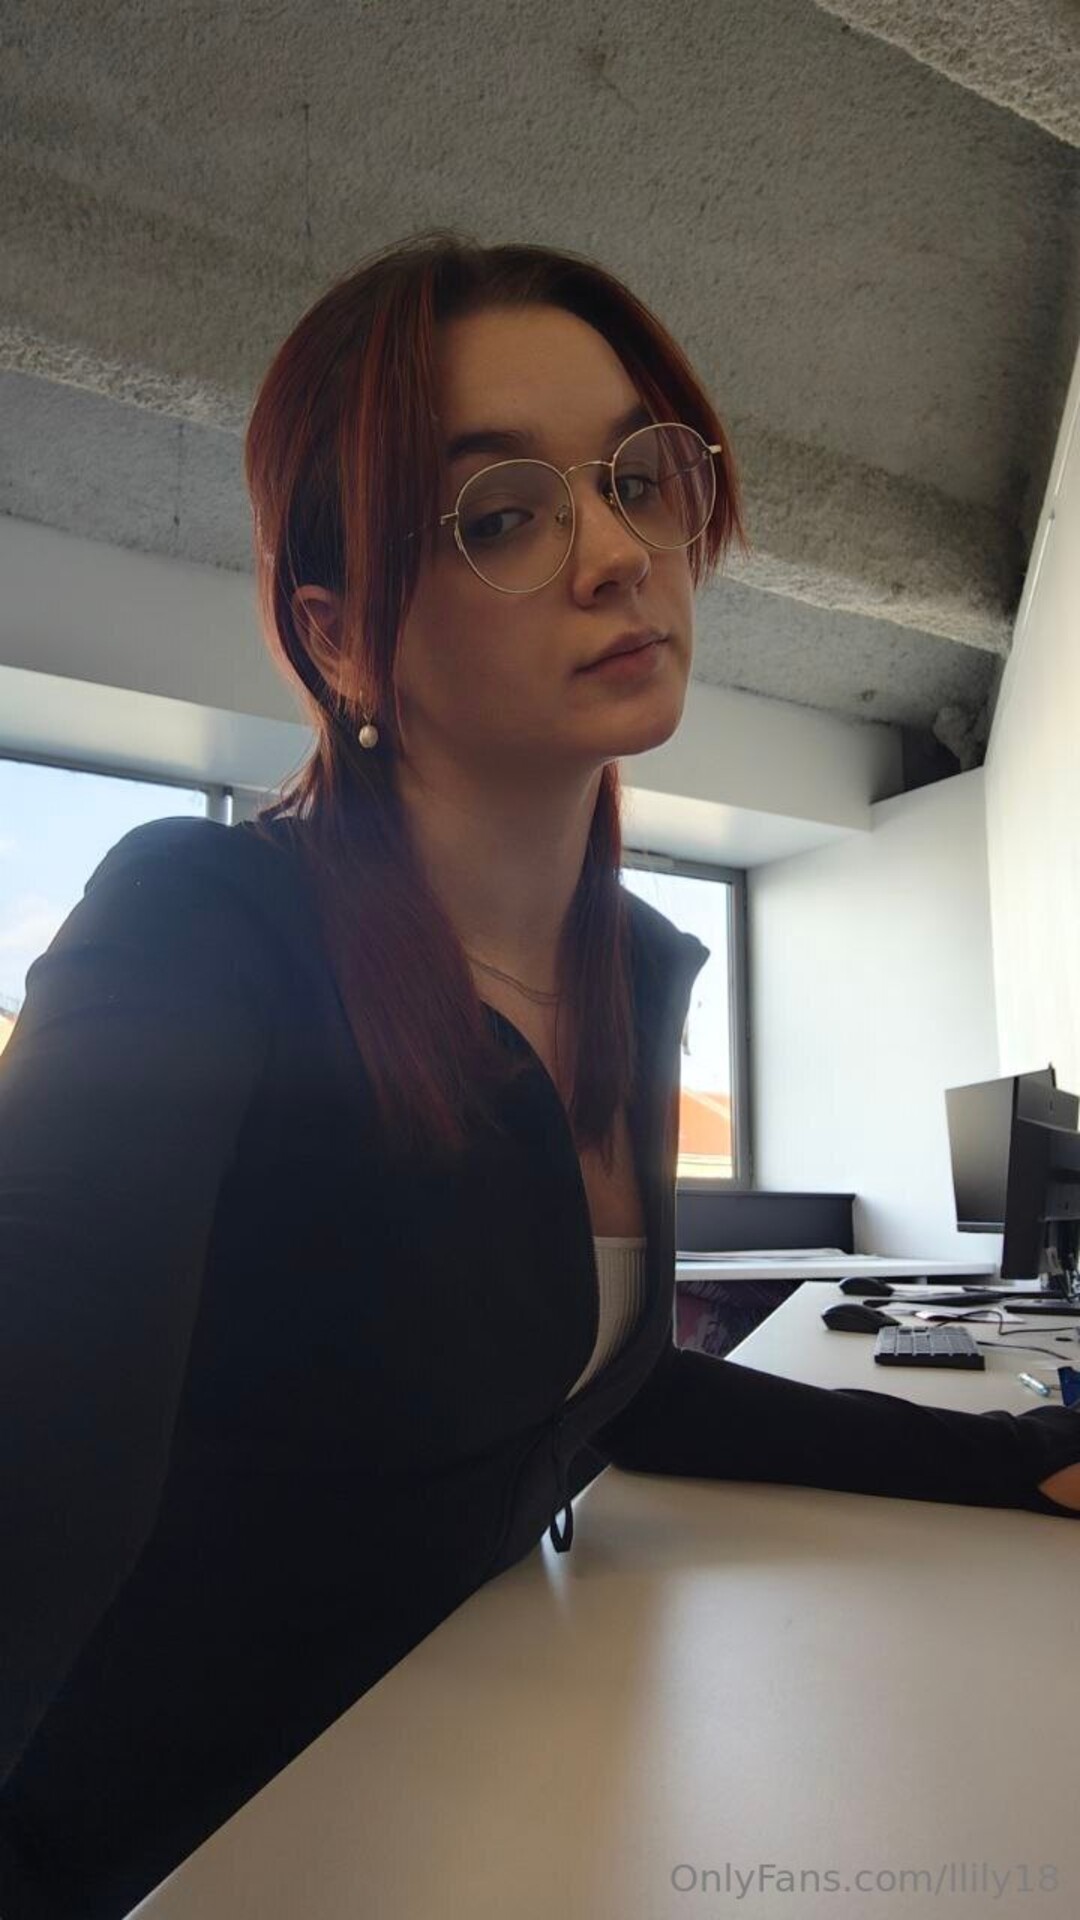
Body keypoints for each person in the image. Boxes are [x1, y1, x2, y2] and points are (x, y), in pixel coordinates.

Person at [1, 230, 1078, 1920]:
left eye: (641, 480)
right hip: (183, 1858)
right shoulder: (199, 927)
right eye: (502, 515)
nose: (621, 554)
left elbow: (611, 1384)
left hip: (494, 1790)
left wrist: (1016, 1458)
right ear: (341, 636)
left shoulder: (629, 971)